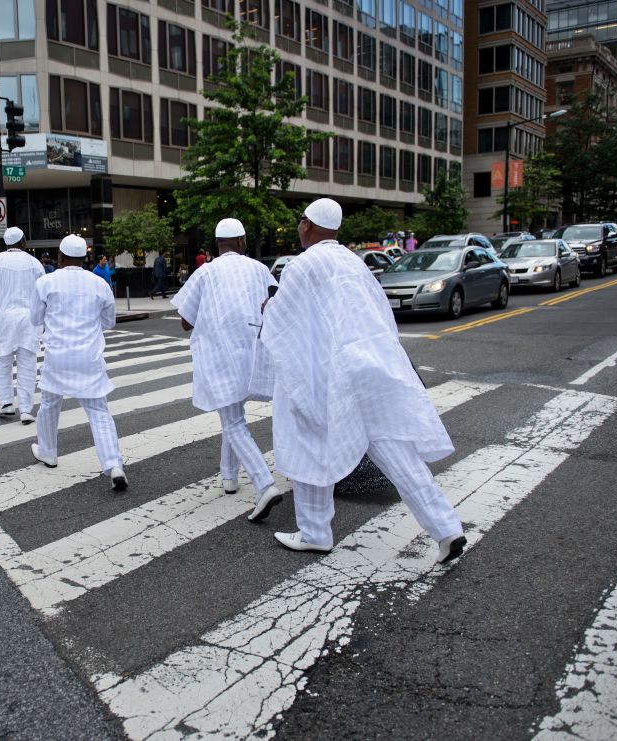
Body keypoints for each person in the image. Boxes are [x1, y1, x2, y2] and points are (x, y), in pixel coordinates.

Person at [260, 198, 466, 564]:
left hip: (330, 375)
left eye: (299, 221)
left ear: (307, 225)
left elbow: (284, 323)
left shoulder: (302, 266)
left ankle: (315, 532)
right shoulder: (355, 263)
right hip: (372, 366)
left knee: (310, 443)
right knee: (396, 452)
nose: (298, 227)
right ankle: (446, 528)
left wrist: (267, 308)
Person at [172, 218, 281, 520]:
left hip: (220, 355)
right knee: (234, 415)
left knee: (232, 420)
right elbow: (276, 302)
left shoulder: (205, 272)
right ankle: (229, 476)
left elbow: (185, 320)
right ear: (243, 241)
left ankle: (264, 483)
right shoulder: (260, 269)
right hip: (254, 353)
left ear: (218, 243)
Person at [30, 234, 127, 491]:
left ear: (60, 257)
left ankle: (48, 451)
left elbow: (35, 318)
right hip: (89, 357)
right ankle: (113, 464)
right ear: (84, 259)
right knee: (98, 411)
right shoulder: (99, 283)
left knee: (50, 405)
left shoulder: (46, 282)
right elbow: (109, 322)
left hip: (57, 356)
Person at [0, 227, 44, 424]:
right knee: (27, 364)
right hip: (29, 319)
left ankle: (6, 403)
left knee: (3, 361)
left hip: (4, 317)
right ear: (23, 242)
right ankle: (26, 409)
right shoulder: (34, 263)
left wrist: (0, 296)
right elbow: (42, 292)